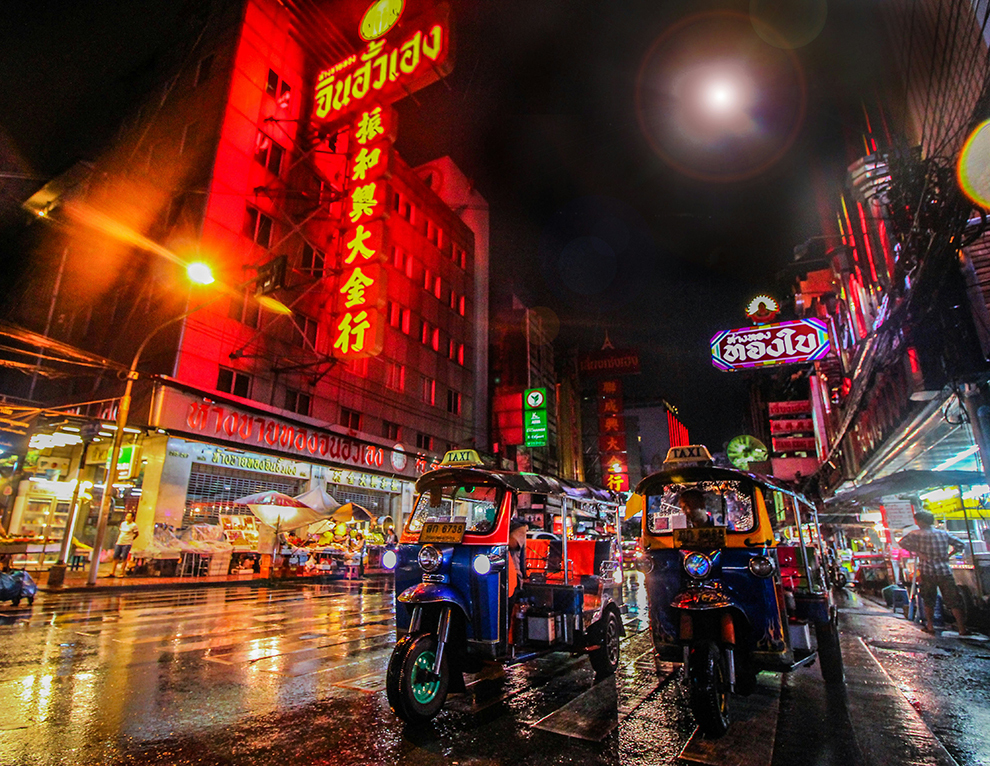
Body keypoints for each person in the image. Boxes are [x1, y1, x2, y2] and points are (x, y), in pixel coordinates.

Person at [898, 510, 969, 636]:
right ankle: (962, 628)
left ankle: (930, 626)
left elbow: (902, 543)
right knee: (953, 600)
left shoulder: (916, 534)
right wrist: (949, 554)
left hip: (927, 570)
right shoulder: (943, 533)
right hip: (944, 570)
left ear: (921, 521)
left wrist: (917, 552)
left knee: (929, 599)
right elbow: (960, 544)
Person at [507, 518, 529, 642]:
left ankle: (508, 644)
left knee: (507, 613)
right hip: (494, 573)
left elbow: (512, 543)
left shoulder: (519, 528)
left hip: (512, 576)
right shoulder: (492, 525)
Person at [110, 511, 139, 578]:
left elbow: (137, 534)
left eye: (129, 516)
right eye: (127, 516)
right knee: (115, 557)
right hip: (120, 541)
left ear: (132, 518)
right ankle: (112, 572)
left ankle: (122, 572)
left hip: (127, 543)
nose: (127, 518)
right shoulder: (123, 524)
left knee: (124, 557)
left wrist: (131, 539)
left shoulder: (134, 525)